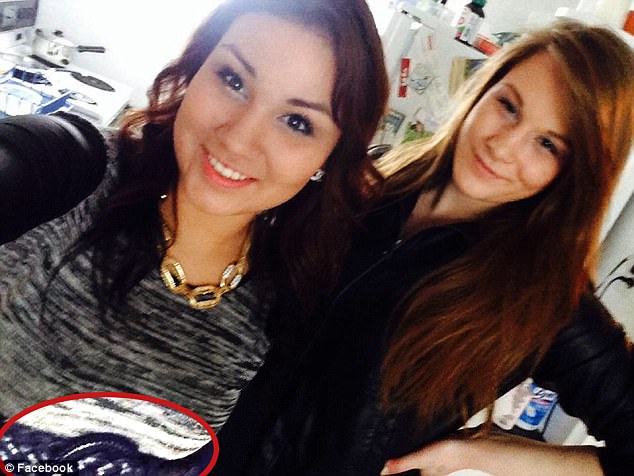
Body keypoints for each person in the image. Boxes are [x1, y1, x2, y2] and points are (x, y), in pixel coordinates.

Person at [214, 19, 634, 475]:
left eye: (547, 144)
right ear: (483, 90)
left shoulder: (546, 304)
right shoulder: (370, 181)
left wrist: (475, 452)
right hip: (198, 452)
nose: (503, 146)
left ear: (577, 172)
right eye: (509, 106)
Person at [0, 0, 388, 455]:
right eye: (233, 80)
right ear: (197, 68)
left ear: (328, 158)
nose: (238, 138)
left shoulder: (292, 306)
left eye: (297, 122)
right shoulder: (71, 172)